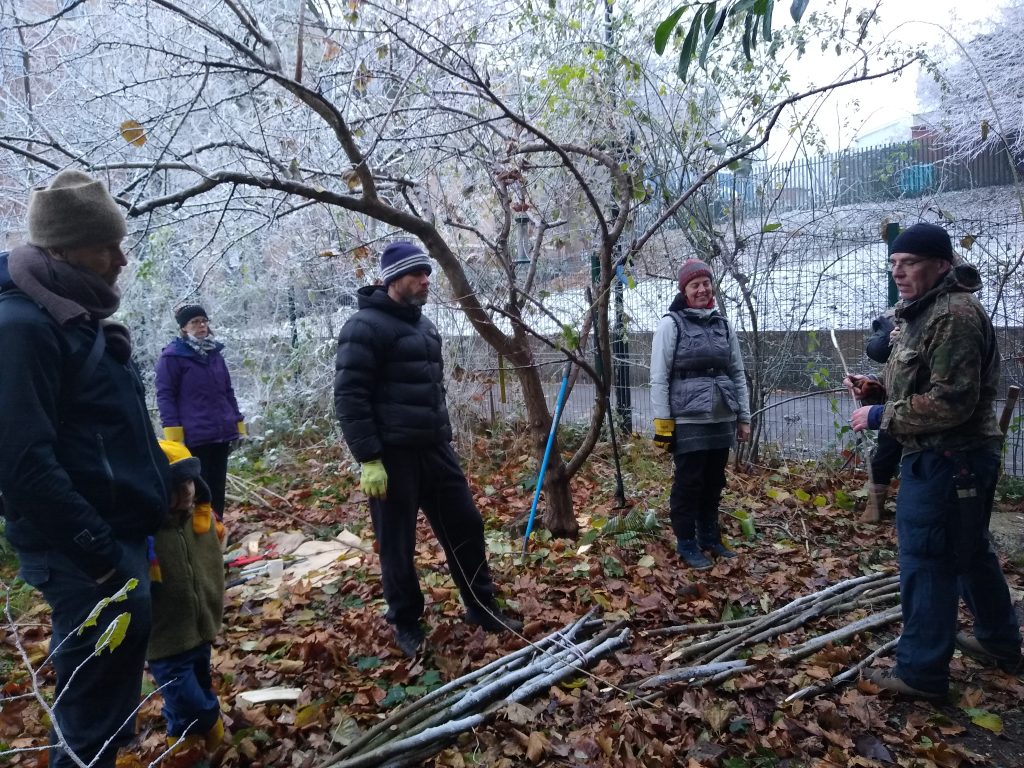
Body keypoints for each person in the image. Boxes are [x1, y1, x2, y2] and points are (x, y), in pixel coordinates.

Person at [0, 169, 171, 768]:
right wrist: (98, 554)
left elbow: (103, 428)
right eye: (106, 246)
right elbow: (20, 462)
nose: (121, 259)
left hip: (110, 535)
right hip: (79, 548)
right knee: (92, 705)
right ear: (64, 248)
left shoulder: (70, 314)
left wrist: (173, 477)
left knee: (108, 692)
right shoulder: (21, 327)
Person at [847, 222, 1022, 699]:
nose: (899, 273)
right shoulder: (924, 313)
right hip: (949, 456)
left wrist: (881, 413)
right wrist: (879, 391)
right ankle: (999, 641)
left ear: (941, 265)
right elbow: (925, 386)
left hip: (950, 459)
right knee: (968, 553)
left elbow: (952, 403)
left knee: (927, 561)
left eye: (910, 264)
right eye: (894, 265)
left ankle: (921, 675)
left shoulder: (954, 316)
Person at [334, 240, 522, 657]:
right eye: (417, 274)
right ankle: (405, 621)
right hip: (391, 458)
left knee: (466, 526)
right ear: (392, 278)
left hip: (435, 448)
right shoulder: (362, 328)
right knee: (398, 543)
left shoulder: (423, 325)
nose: (426, 281)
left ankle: (480, 606)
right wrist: (368, 459)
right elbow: (350, 398)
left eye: (428, 274)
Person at [650, 258, 751, 569]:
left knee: (714, 481)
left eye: (706, 283)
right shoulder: (671, 323)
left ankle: (710, 537)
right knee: (689, 482)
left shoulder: (723, 325)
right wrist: (663, 425)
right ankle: (686, 542)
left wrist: (743, 417)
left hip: (721, 416)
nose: (702, 289)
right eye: (695, 285)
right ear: (685, 290)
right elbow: (659, 376)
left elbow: (737, 371)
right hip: (687, 419)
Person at [148, 441, 226, 757]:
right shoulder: (147, 534)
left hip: (200, 628)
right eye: (176, 487)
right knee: (186, 694)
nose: (187, 492)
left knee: (195, 687)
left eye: (190, 483)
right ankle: (210, 721)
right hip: (166, 638)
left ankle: (180, 744)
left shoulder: (201, 522)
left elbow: (212, 561)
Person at [156, 304, 245, 520]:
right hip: (195, 435)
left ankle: (218, 529)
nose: (201, 325)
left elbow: (227, 390)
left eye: (204, 321)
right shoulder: (172, 357)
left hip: (221, 432)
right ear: (184, 328)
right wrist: (175, 436)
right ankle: (201, 536)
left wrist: (237, 423)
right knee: (199, 490)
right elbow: (165, 396)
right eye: (194, 322)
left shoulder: (215, 354)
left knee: (217, 486)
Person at [860, 310, 902, 522]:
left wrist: (877, 414)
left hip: (920, 419)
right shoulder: (899, 344)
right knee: (884, 456)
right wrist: (869, 382)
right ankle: (874, 508)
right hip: (898, 414)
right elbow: (894, 376)